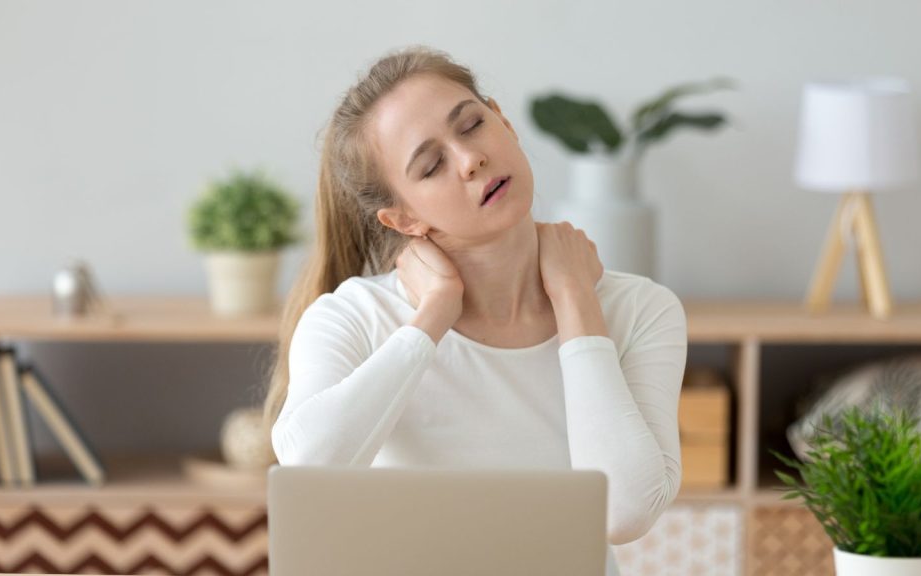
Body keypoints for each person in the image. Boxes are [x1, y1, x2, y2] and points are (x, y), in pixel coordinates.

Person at [263, 45, 688, 575]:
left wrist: (576, 301)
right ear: (402, 219)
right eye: (432, 165)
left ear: (503, 122)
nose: (470, 160)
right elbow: (309, 474)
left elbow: (625, 512)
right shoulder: (354, 318)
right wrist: (432, 318)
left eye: (471, 126)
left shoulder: (640, 310)